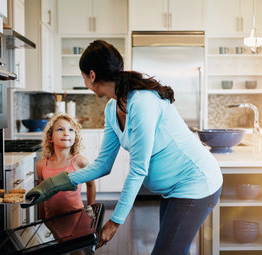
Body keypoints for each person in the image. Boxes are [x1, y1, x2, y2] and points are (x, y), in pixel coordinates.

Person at [25, 40, 223, 255]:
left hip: (197, 183)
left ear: (92, 75)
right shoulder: (112, 108)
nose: (84, 81)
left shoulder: (142, 102)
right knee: (174, 250)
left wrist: (115, 222)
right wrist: (53, 184)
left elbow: (139, 168)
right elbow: (103, 165)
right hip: (173, 190)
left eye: (83, 76)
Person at [36, 113, 96, 245]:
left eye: (70, 130)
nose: (66, 133)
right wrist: (40, 217)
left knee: (77, 250)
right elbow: (41, 193)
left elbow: (91, 185)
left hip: (76, 216)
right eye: (60, 129)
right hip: (52, 218)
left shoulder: (80, 162)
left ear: (75, 138)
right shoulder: (41, 165)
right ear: (50, 137)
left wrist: (91, 209)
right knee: (61, 248)